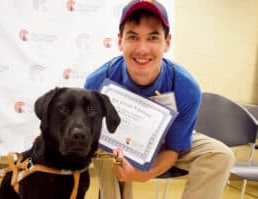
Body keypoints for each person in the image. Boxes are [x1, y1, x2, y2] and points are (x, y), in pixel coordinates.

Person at [84, 1, 235, 199]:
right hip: (120, 142)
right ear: (120, 41)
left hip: (167, 139)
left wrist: (144, 174)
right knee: (104, 147)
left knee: (220, 155)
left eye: (153, 37)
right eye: (133, 37)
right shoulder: (97, 83)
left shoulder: (186, 88)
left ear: (167, 42)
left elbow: (174, 148)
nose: (142, 49)